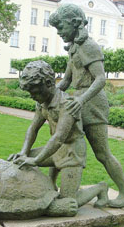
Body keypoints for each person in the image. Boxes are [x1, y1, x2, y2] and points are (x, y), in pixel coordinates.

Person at [49, 4, 124, 207]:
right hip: (77, 102)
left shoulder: (89, 46)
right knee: (60, 142)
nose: (59, 32)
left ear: (75, 23)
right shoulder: (74, 48)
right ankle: (51, 186)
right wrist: (49, 95)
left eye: (61, 27)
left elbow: (100, 79)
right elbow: (66, 81)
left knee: (102, 153)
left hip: (92, 103)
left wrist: (81, 99)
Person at [8, 60, 109, 208]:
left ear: (49, 84)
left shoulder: (66, 104)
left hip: (71, 153)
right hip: (56, 150)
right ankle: (50, 186)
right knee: (20, 162)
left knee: (68, 202)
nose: (32, 96)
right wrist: (23, 152)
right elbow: (33, 128)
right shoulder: (42, 103)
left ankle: (100, 188)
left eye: (35, 92)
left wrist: (36, 160)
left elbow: (59, 137)